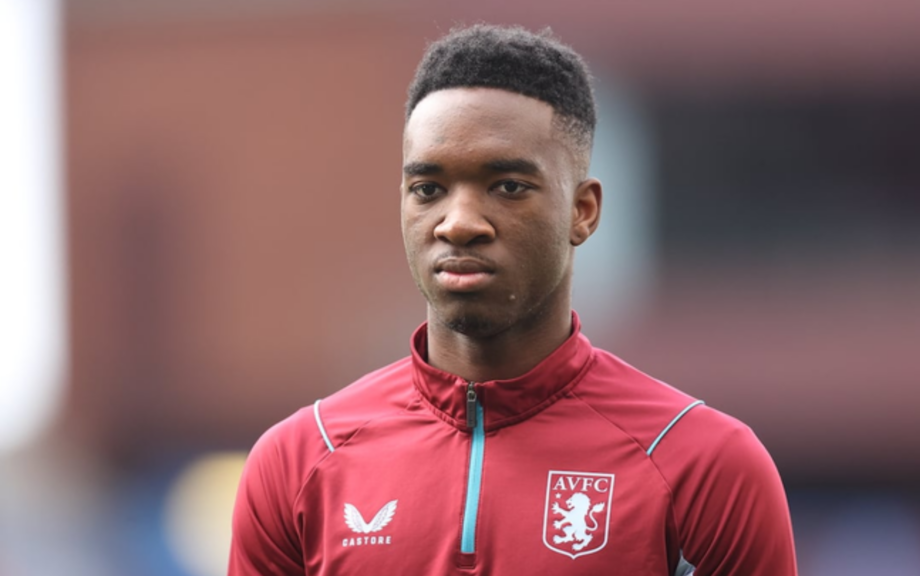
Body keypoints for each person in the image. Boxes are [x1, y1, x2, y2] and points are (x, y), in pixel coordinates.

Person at [229, 24, 798, 576]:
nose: (459, 223)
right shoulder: (300, 461)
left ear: (583, 211)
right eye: (428, 189)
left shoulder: (702, 464)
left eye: (508, 187)